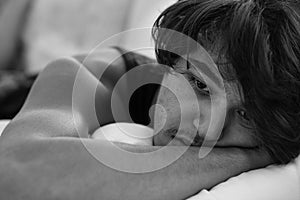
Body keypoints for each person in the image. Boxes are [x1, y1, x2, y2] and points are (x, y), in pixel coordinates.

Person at [0, 0, 299, 199]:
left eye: (247, 115)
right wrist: (246, 157)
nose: (208, 130)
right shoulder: (101, 73)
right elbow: (17, 171)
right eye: (198, 84)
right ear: (168, 63)